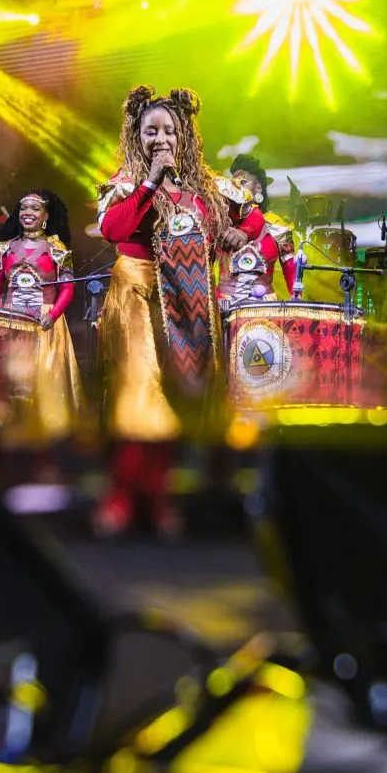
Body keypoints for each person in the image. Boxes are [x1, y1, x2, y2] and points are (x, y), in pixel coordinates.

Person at [94, 85, 236, 538]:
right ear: (136, 135)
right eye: (150, 130)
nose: (160, 138)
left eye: (169, 131)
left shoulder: (200, 191)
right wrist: (151, 181)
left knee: (177, 397)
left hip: (185, 299)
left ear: (184, 137)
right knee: (139, 393)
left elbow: (246, 220)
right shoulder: (126, 183)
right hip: (137, 293)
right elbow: (114, 230)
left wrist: (236, 237)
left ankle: (158, 497)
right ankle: (123, 497)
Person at [0, 189, 84, 442]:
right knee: (13, 379)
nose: (28, 213)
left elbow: (68, 287)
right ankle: (9, 430)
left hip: (45, 323)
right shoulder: (6, 248)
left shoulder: (57, 248)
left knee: (43, 379)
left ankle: (50, 433)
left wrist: (53, 315)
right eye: (24, 208)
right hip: (11, 321)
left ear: (46, 216)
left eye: (35, 208)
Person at [214, 153, 297, 309]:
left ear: (258, 187)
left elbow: (292, 273)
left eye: (243, 182)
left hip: (265, 309)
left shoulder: (277, 226)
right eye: (234, 182)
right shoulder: (220, 224)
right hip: (225, 307)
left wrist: (299, 307)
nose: (237, 186)